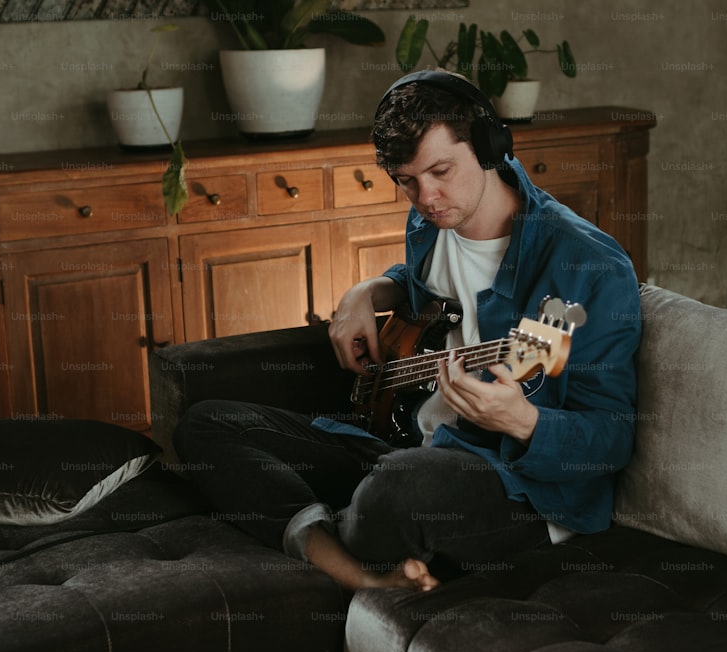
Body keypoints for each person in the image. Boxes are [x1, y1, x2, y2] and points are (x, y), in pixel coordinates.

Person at [172, 70, 641, 592]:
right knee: (207, 424)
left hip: (511, 488)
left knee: (398, 488)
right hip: (398, 444)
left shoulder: (588, 264)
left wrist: (526, 421)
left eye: (441, 170)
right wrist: (368, 292)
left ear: (487, 145)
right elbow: (436, 296)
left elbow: (612, 438)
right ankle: (359, 565)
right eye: (407, 181)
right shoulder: (428, 227)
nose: (428, 197)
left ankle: (330, 534)